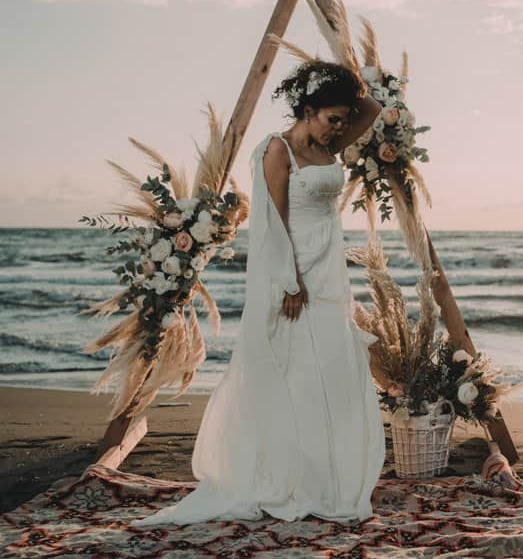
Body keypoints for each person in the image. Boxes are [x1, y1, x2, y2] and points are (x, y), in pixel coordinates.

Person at [132, 60, 388, 526]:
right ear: (307, 110)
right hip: (294, 275)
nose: (340, 128)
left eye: (342, 120)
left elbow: (369, 108)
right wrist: (290, 282)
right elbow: (272, 223)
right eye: (332, 118)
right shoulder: (278, 150)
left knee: (331, 373)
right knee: (295, 376)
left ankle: (325, 478)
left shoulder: (333, 140)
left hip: (331, 274)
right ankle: (288, 478)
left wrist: (345, 79)